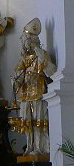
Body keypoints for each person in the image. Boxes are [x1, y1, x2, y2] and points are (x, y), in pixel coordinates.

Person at [11, 18, 57, 156]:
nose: (24, 45)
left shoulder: (41, 55)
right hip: (26, 95)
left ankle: (40, 147)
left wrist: (42, 59)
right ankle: (29, 147)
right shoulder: (23, 60)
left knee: (38, 122)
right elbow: (18, 79)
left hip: (39, 93)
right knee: (28, 123)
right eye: (24, 42)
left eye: (26, 41)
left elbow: (52, 72)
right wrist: (14, 82)